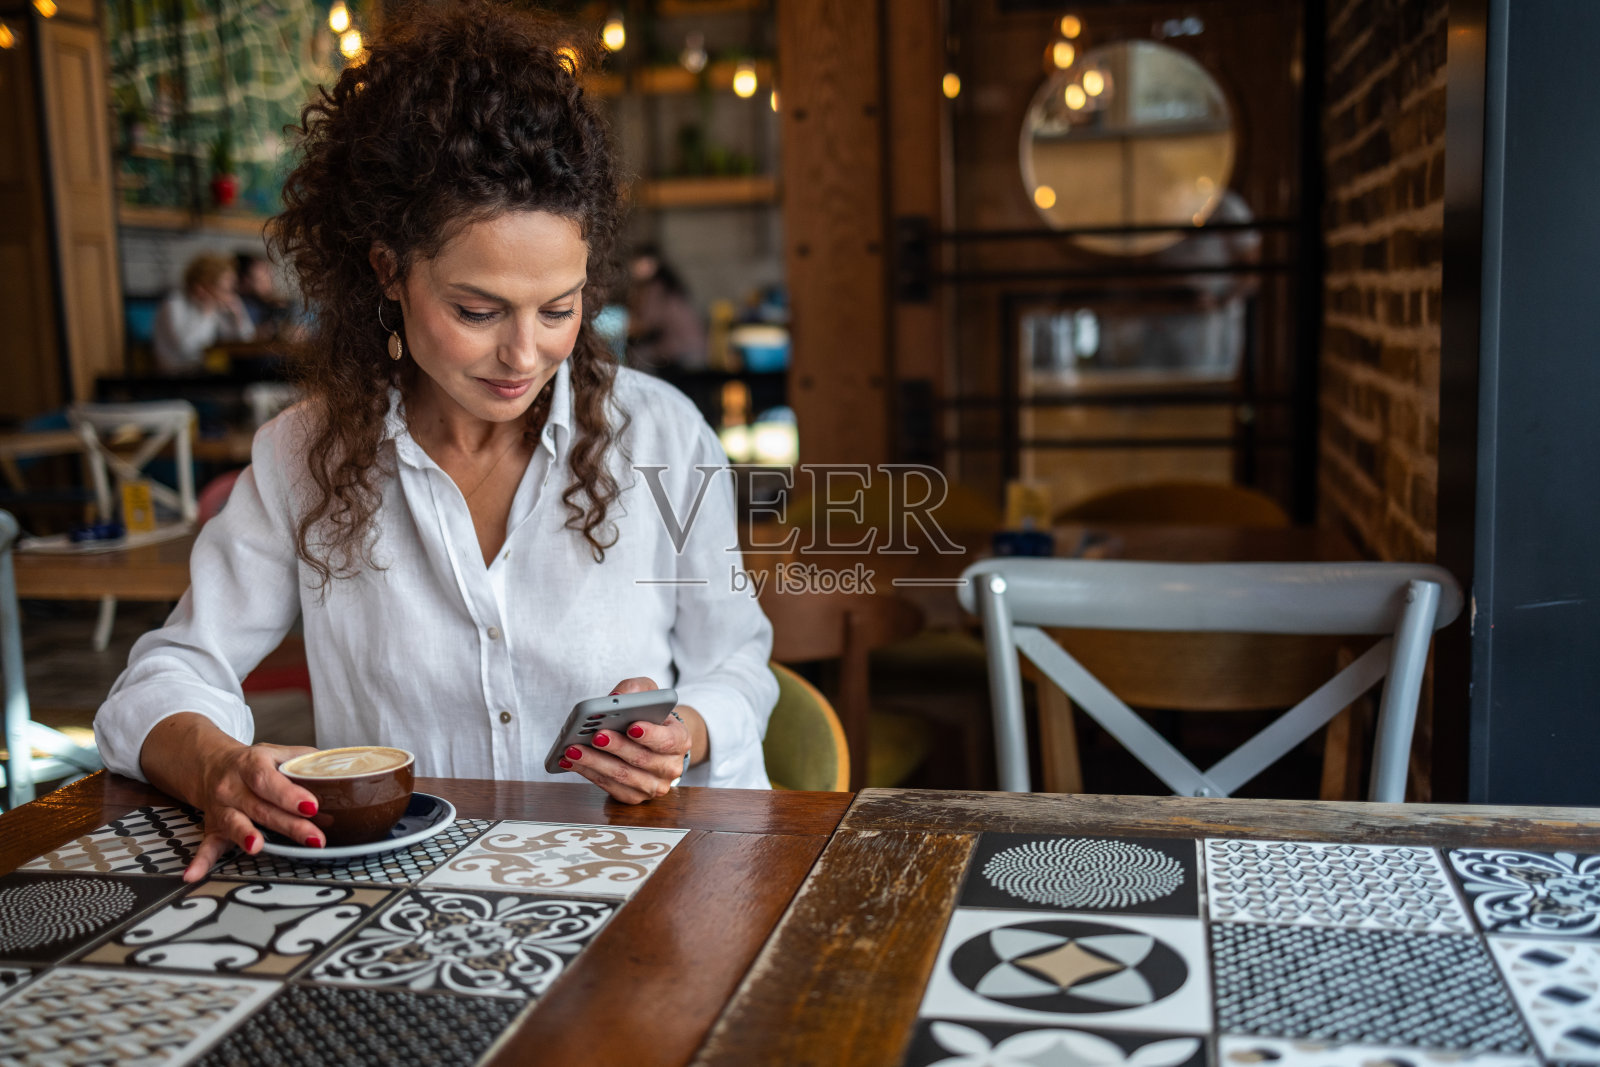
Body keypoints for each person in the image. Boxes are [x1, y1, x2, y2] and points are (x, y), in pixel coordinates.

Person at [94, 2, 777, 881]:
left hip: (634, 880)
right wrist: (217, 764)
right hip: (402, 896)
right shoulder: (304, 456)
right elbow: (168, 675)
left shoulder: (662, 436)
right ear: (389, 270)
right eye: (477, 310)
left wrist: (687, 731)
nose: (523, 355)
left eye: (558, 308)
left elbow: (739, 662)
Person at [151, 252, 255, 373]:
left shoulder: (215, 305)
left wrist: (238, 314)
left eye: (231, 289)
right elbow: (185, 349)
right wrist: (207, 311)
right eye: (224, 289)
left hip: (202, 370)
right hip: (175, 374)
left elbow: (245, 339)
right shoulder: (174, 304)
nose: (228, 295)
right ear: (202, 288)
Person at [625, 246, 707, 371]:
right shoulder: (667, 285)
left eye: (638, 262)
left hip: (681, 351)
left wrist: (620, 328)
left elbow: (646, 324)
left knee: (637, 356)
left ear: (653, 264)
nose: (634, 268)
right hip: (695, 348)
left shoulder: (656, 288)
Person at [234, 252, 294, 339]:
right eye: (261, 280)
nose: (270, 283)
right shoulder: (240, 306)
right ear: (245, 281)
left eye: (270, 276)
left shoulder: (280, 304)